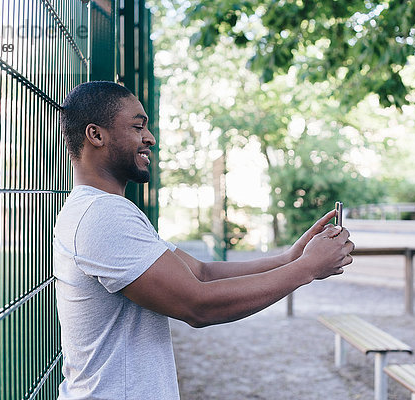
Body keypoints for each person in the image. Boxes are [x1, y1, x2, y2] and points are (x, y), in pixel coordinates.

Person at [53, 81, 355, 399]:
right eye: (137, 126)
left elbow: (201, 273)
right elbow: (198, 304)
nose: (150, 138)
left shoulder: (103, 209)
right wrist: (307, 268)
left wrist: (291, 258)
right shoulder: (102, 215)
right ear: (96, 135)